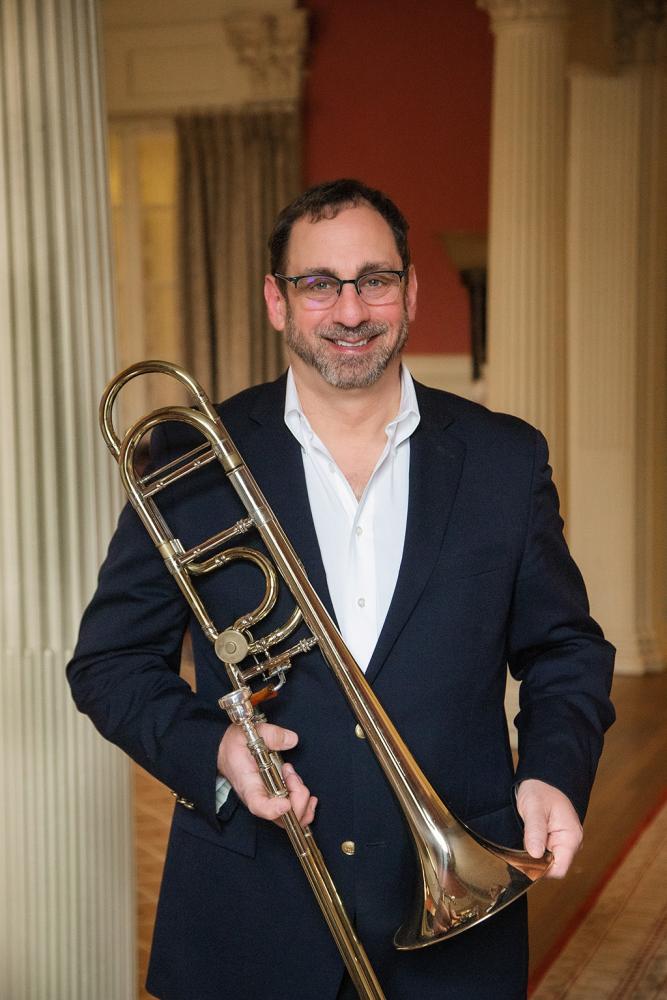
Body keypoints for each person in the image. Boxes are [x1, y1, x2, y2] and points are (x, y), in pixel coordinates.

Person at [67, 179, 615, 1000]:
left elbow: (563, 647)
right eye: (319, 284)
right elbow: (109, 664)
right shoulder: (188, 462)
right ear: (277, 300)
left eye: (374, 280)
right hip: (249, 910)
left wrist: (550, 771)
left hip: (462, 911)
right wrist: (215, 751)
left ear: (410, 292)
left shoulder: (503, 458)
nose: (350, 311)